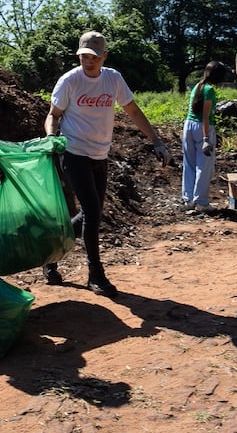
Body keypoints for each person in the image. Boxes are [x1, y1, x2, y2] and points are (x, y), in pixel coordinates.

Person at [43, 31, 171, 297]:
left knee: (93, 212)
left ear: (104, 56)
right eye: (83, 56)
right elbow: (53, 115)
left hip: (100, 155)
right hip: (74, 152)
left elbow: (133, 110)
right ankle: (95, 273)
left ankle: (50, 253)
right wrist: (51, 138)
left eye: (93, 57)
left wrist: (156, 139)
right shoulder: (70, 80)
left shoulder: (112, 79)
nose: (88, 61)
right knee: (91, 210)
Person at [182, 61, 228, 213]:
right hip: (202, 128)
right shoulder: (209, 90)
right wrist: (206, 139)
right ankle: (201, 202)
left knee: (189, 163)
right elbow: (205, 117)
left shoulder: (197, 86)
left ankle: (188, 199)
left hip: (188, 126)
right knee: (204, 166)